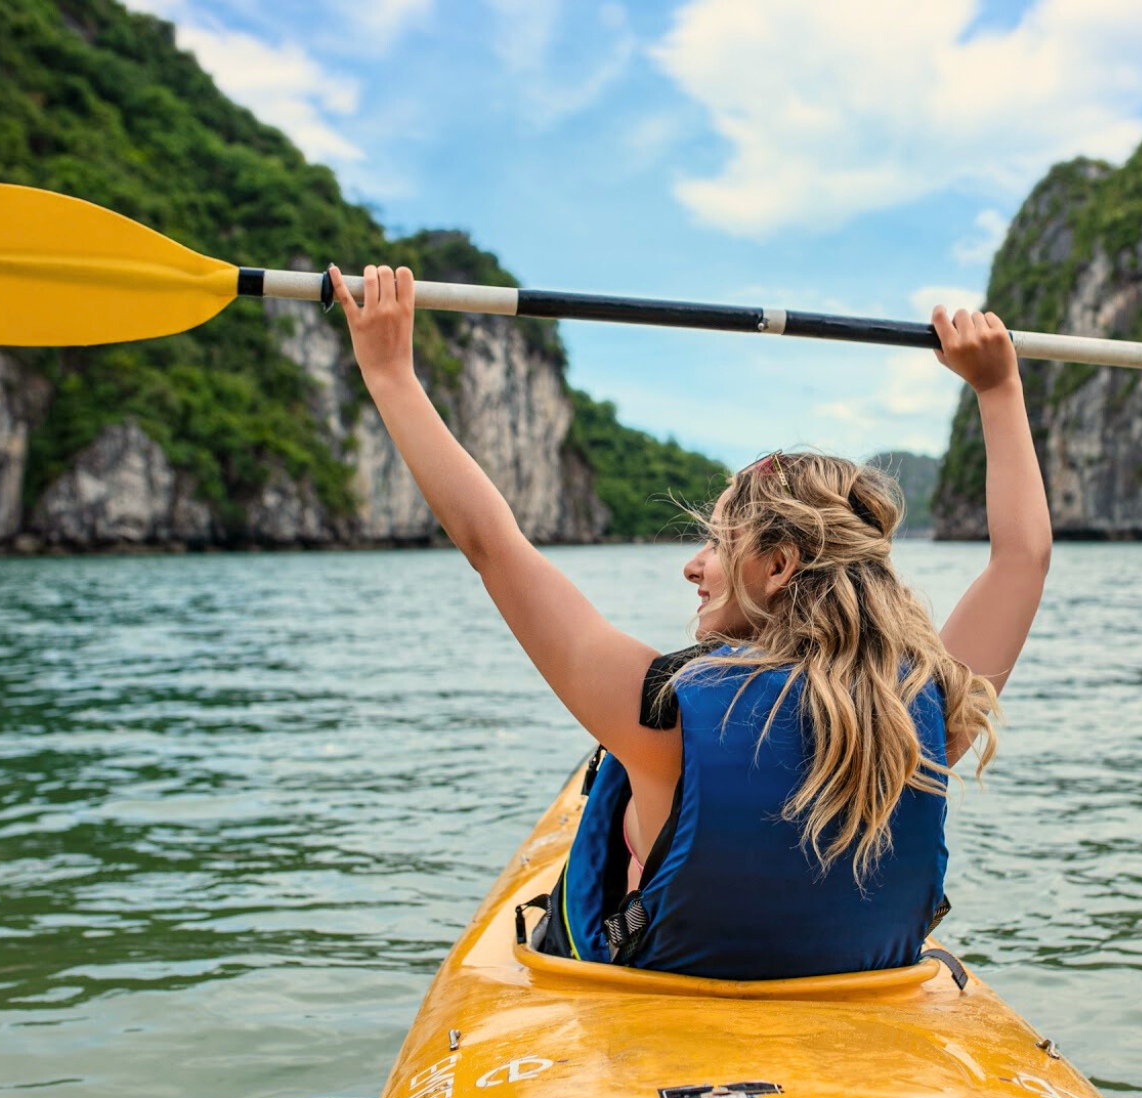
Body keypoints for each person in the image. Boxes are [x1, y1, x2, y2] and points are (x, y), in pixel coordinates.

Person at [332, 265, 1050, 980]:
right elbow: (1022, 560)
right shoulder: (928, 713)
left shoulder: (659, 719)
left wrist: (391, 372)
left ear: (776, 566)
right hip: (861, 1025)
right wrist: (998, 387)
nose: (695, 565)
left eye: (717, 541)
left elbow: (492, 545)